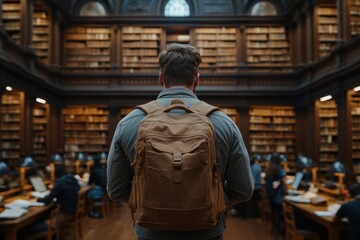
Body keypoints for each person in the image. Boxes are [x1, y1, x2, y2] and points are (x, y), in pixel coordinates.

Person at [107, 43, 254, 240]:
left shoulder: (130, 122)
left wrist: (150, 201)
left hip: (151, 233)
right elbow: (243, 189)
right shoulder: (224, 122)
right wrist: (212, 199)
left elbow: (116, 190)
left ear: (161, 78)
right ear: (197, 79)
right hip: (207, 232)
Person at [265, 153, 287, 237]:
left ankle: (274, 229)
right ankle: (279, 233)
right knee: (279, 214)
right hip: (278, 196)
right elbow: (284, 182)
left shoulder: (269, 169)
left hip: (270, 194)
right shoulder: (280, 169)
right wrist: (286, 191)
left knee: (274, 213)